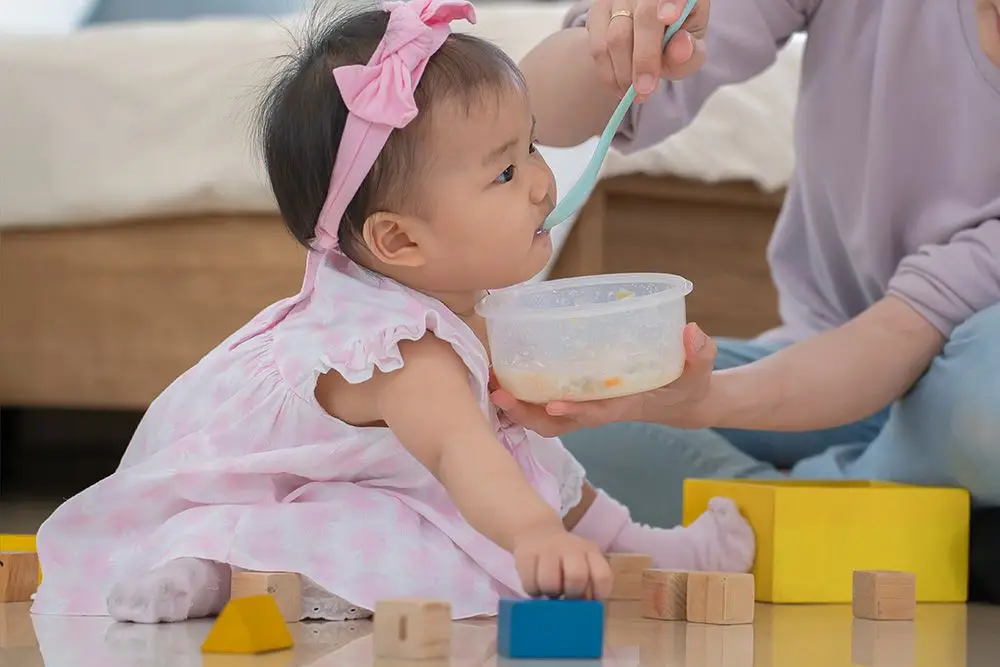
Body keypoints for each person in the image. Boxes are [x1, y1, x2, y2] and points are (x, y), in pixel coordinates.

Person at [29, 0, 753, 624]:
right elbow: (457, 451)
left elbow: (506, 445)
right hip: (284, 496)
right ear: (400, 239)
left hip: (375, 471)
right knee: (377, 523)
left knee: (535, 451)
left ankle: (649, 545)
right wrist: (533, 534)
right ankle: (208, 569)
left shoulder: (443, 296)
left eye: (529, 148)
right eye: (504, 171)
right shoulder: (407, 349)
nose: (540, 182)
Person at [501, 0, 1000, 529]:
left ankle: (786, 521)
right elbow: (537, 113)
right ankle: (833, 515)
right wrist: (616, 41)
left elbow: (899, 336)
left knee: (985, 401)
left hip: (967, 381)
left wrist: (700, 403)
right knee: (530, 413)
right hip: (821, 358)